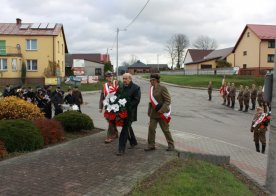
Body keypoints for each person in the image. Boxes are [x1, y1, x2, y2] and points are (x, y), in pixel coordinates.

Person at [145, 73, 174, 152]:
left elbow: (168, 100)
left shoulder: (162, 88)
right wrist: (149, 111)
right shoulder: (151, 89)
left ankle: (171, 145)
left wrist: (162, 110)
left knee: (165, 129)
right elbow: (151, 102)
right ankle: (151, 145)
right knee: (151, 129)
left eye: (152, 80)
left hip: (162, 113)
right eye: (150, 80)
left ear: (156, 80)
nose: (151, 81)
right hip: (153, 113)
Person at [117, 73, 141, 156]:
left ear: (130, 79)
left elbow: (136, 100)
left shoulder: (136, 88)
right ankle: (133, 142)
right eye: (123, 78)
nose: (124, 80)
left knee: (124, 129)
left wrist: (127, 106)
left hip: (130, 112)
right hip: (122, 112)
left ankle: (121, 149)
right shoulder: (121, 87)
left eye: (126, 79)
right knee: (127, 127)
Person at [99, 71, 119, 143]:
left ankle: (110, 136)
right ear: (106, 78)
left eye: (111, 76)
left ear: (112, 76)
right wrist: (100, 107)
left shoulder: (116, 83)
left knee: (111, 120)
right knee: (109, 120)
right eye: (108, 76)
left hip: (116, 106)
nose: (110, 77)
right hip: (108, 106)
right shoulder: (104, 86)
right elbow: (102, 97)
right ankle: (115, 133)